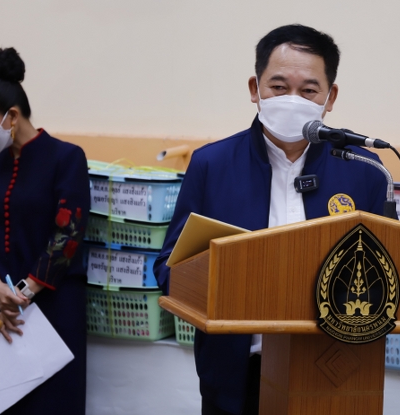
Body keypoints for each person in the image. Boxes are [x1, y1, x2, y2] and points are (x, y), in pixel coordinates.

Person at [153, 24, 388, 415]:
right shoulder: (212, 165)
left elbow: (387, 273)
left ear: (330, 98)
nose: (292, 100)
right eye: (279, 87)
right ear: (255, 89)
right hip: (236, 374)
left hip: (333, 369)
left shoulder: (365, 170)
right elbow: (169, 269)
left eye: (308, 90)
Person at [0, 48, 91, 415]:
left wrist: (21, 295)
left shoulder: (66, 158)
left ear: (12, 116)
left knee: (50, 404)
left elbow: (68, 234)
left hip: (51, 305)